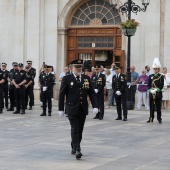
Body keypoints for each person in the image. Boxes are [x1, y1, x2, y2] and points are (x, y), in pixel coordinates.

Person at [58, 59, 98, 159]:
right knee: (75, 128)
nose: (79, 69)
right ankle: (77, 149)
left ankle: (74, 145)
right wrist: (60, 108)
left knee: (80, 130)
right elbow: (61, 94)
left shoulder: (86, 78)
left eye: (80, 67)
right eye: (76, 67)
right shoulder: (67, 78)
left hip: (82, 107)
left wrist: (95, 106)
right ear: (72, 68)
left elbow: (91, 92)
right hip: (71, 108)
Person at [147, 58, 164, 124]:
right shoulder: (150, 76)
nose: (155, 70)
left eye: (156, 69)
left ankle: (159, 118)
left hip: (158, 94)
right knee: (151, 106)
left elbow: (161, 85)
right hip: (152, 93)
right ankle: (151, 118)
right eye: (154, 69)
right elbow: (148, 85)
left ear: (158, 69)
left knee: (158, 107)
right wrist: (150, 90)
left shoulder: (161, 76)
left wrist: (157, 89)